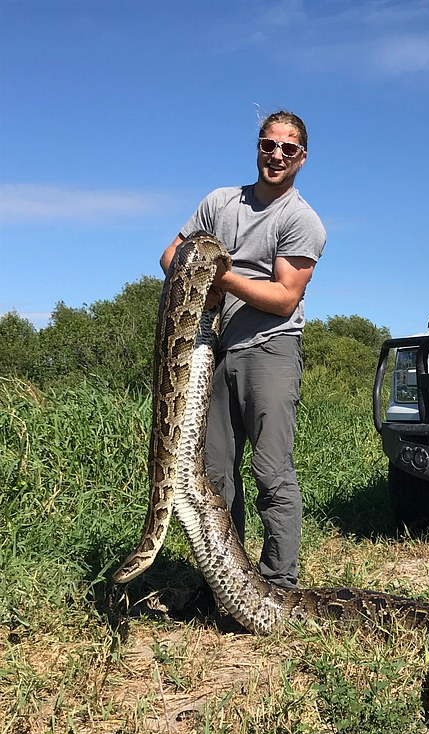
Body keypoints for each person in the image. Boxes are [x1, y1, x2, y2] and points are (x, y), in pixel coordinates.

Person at [160, 111, 326, 589]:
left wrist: (220, 278)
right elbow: (171, 256)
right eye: (268, 144)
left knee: (271, 469)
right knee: (213, 473)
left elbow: (283, 297)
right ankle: (223, 581)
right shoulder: (218, 202)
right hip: (212, 349)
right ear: (257, 146)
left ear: (302, 159)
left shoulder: (300, 219)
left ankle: (278, 585)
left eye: (288, 149)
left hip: (270, 347)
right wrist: (198, 278)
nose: (276, 155)